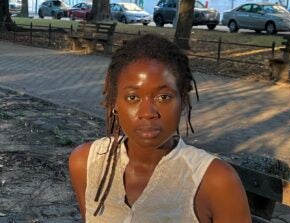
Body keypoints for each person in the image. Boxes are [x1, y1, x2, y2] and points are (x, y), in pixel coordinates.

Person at [69, 34, 252, 223]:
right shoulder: (86, 163)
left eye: (163, 97)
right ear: (114, 102)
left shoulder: (215, 180)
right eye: (133, 98)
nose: (148, 113)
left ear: (182, 101)